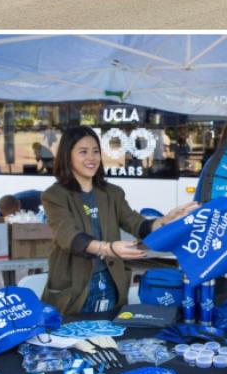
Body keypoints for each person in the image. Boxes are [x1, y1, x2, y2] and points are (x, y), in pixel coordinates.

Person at [41, 126, 197, 314]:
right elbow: (69, 237)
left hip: (111, 283)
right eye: (83, 152)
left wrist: (165, 220)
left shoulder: (112, 193)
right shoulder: (55, 196)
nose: (91, 158)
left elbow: (137, 224)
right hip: (73, 289)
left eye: (96, 151)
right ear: (68, 156)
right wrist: (109, 248)